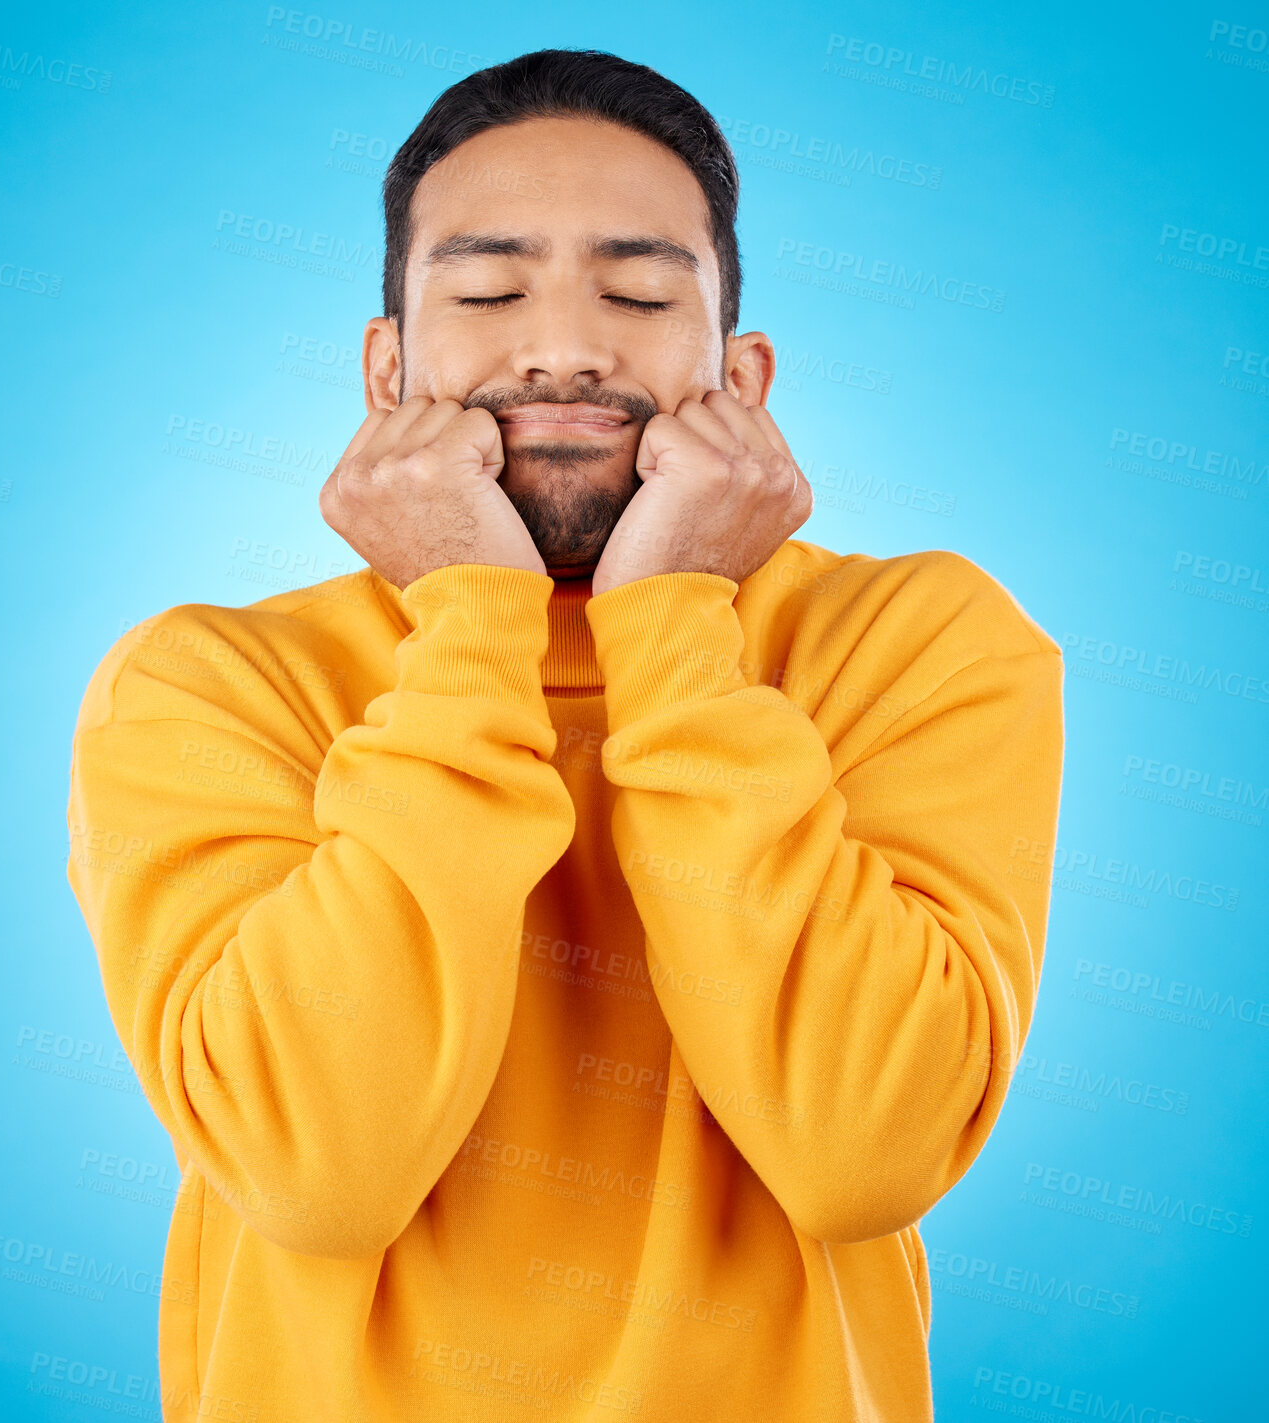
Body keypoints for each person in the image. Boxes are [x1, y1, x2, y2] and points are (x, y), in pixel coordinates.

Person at [66, 47, 1065, 1423]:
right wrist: (475, 626)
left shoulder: (916, 643)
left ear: (741, 373)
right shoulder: (212, 685)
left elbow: (866, 1150)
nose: (563, 346)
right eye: (485, 291)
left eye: (638, 293)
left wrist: (669, 629)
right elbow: (316, 1169)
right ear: (384, 369)